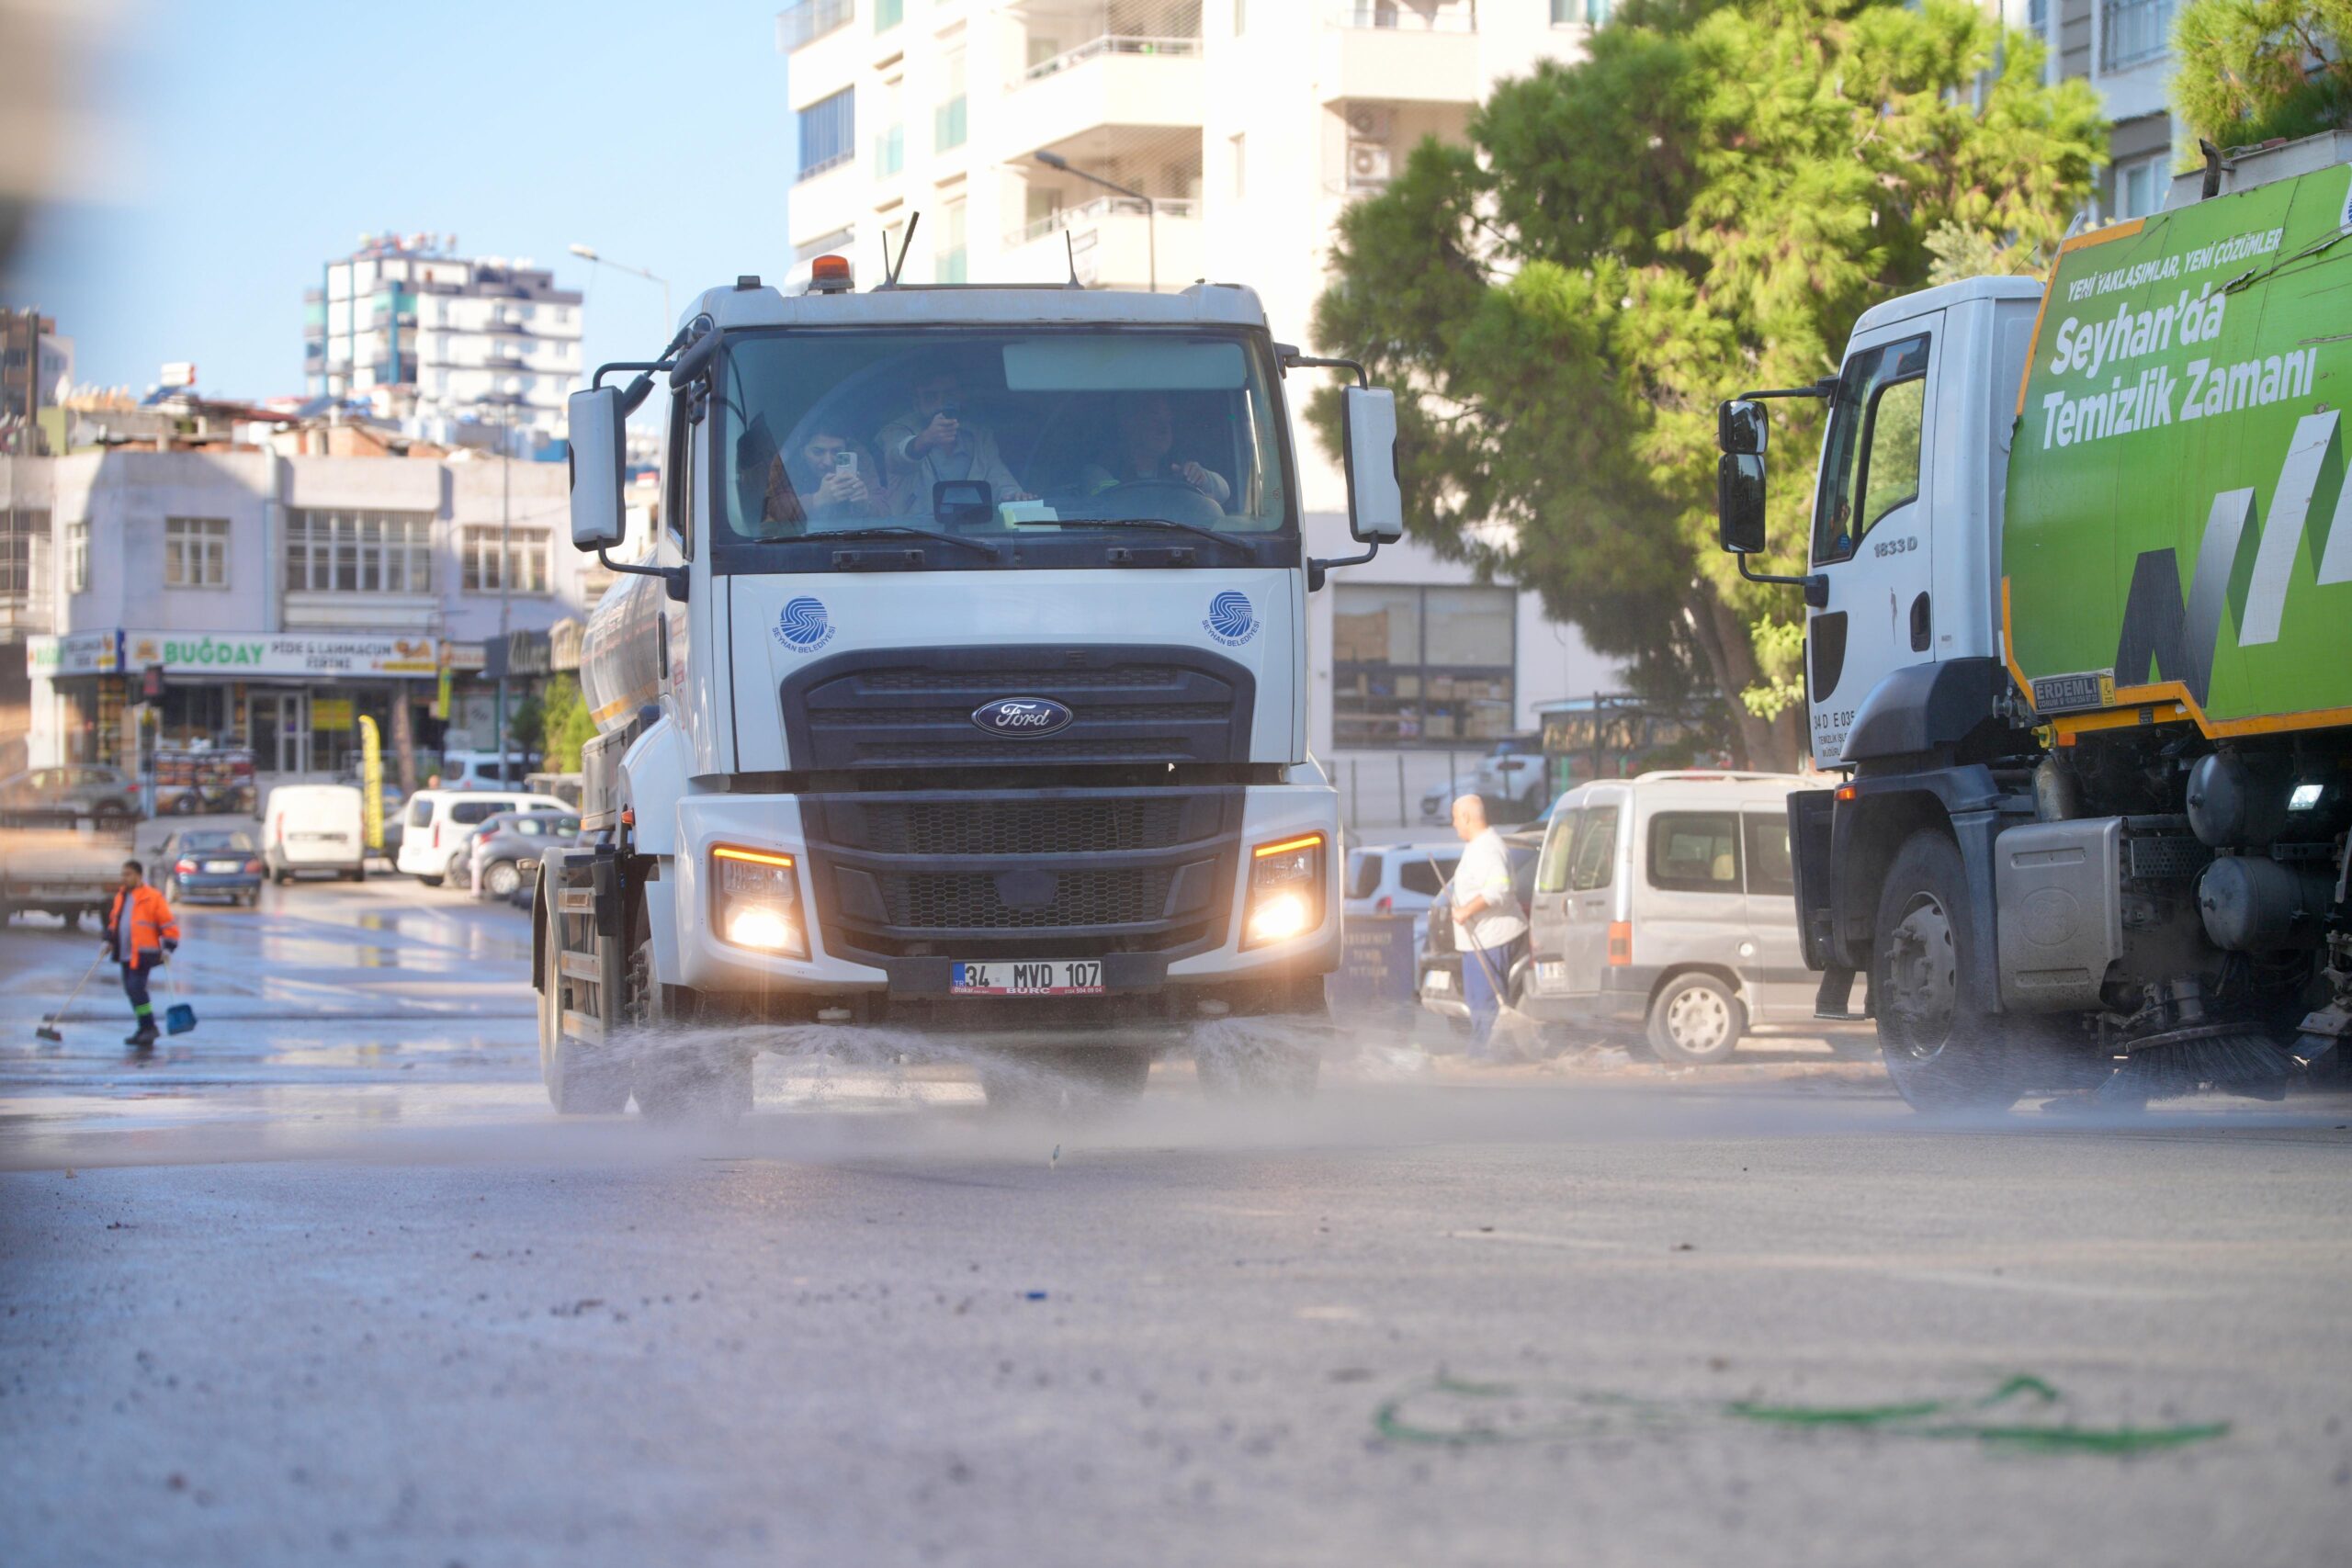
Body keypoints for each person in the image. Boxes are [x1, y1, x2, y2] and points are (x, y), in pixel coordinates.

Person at [873, 366, 1030, 513]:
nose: (941, 404)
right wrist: (925, 440)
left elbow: (999, 479)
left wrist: (1015, 497)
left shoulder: (978, 436)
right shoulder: (897, 430)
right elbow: (896, 459)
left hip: (975, 530)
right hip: (911, 530)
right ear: (916, 403)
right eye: (930, 397)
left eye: (949, 395)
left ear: (960, 398)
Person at [1448, 794, 1527, 1057]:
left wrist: (1466, 910)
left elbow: (1498, 889)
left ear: (1466, 817)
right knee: (1477, 1001)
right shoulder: (1477, 847)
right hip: (1479, 939)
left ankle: (1489, 1056)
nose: (1454, 824)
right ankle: (1486, 1053)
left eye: (1455, 818)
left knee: (1486, 1002)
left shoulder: (1487, 848)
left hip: (1492, 937)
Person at [1080, 391, 1231, 506]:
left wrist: (1201, 479)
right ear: (1128, 423)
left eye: (1168, 421)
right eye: (1154, 419)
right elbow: (1112, 506)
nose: (1165, 429)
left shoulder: (1177, 467)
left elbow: (1224, 492)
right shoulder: (1100, 471)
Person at [102, 859, 179, 1049]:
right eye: (123, 874)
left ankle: (149, 1027)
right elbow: (115, 922)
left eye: (128, 874)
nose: (124, 878)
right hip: (125, 952)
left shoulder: (152, 897)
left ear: (138, 876)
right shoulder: (121, 896)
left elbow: (168, 924)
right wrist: (108, 940)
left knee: (136, 988)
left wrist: (168, 947)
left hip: (144, 953)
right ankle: (144, 1027)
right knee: (131, 991)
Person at [758, 422, 889, 530]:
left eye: (836, 451)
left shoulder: (858, 462)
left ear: (846, 449)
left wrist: (865, 506)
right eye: (818, 452)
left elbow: (887, 512)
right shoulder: (788, 464)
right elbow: (773, 509)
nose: (828, 461)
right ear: (802, 452)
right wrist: (817, 499)